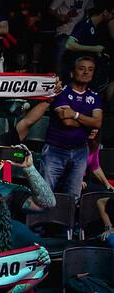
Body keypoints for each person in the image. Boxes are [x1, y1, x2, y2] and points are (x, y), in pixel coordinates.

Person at [40, 56, 103, 199]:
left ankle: (70, 221)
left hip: (80, 150)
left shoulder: (95, 96)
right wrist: (88, 122)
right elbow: (66, 122)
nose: (86, 72)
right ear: (72, 73)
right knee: (45, 193)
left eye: (90, 69)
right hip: (55, 150)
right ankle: (42, 221)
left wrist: (75, 114)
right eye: (81, 68)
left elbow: (98, 123)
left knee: (74, 195)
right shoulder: (61, 92)